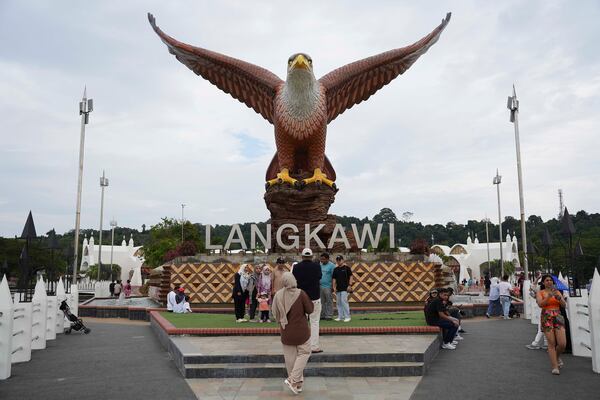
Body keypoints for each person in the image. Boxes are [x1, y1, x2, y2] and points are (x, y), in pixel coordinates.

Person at [272, 272, 314, 395]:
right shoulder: (301, 293)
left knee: (290, 359)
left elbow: (274, 313)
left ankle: (297, 384)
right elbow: (310, 310)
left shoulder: (278, 295)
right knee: (305, 352)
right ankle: (293, 380)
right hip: (302, 331)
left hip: (286, 331)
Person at [292, 248, 322, 353]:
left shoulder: (296, 267)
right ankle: (314, 346)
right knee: (314, 322)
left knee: (300, 322)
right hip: (314, 298)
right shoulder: (317, 267)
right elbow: (319, 277)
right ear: (312, 256)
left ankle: (300, 346)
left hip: (300, 298)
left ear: (302, 256)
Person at [536, 274, 567, 375]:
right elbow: (540, 304)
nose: (549, 282)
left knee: (562, 343)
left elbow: (564, 305)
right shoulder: (540, 293)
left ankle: (557, 357)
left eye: (550, 280)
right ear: (543, 283)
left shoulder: (557, 292)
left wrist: (560, 299)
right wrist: (548, 297)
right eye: (547, 280)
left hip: (557, 315)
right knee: (551, 342)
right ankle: (555, 366)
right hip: (546, 316)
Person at [526, 277, 548, 350]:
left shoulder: (540, 291)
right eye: (547, 280)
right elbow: (531, 289)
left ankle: (536, 343)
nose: (549, 282)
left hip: (544, 311)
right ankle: (545, 343)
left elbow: (531, 289)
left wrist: (536, 279)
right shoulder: (542, 291)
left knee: (541, 327)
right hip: (546, 310)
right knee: (544, 327)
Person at [332, 255, 352, 322]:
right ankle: (340, 316)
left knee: (344, 302)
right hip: (338, 288)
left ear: (343, 260)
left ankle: (347, 317)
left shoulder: (347, 268)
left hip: (345, 288)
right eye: (337, 260)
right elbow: (334, 279)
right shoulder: (335, 269)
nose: (338, 261)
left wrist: (349, 285)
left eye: (339, 260)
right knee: (338, 303)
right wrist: (334, 287)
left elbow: (351, 277)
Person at [319, 253, 335, 321]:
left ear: (328, 259)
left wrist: (333, 286)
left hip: (328, 286)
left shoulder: (332, 266)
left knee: (329, 301)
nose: (322, 260)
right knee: (321, 302)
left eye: (323, 259)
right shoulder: (320, 265)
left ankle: (329, 315)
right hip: (320, 286)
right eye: (321, 259)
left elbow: (334, 277)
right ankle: (322, 315)